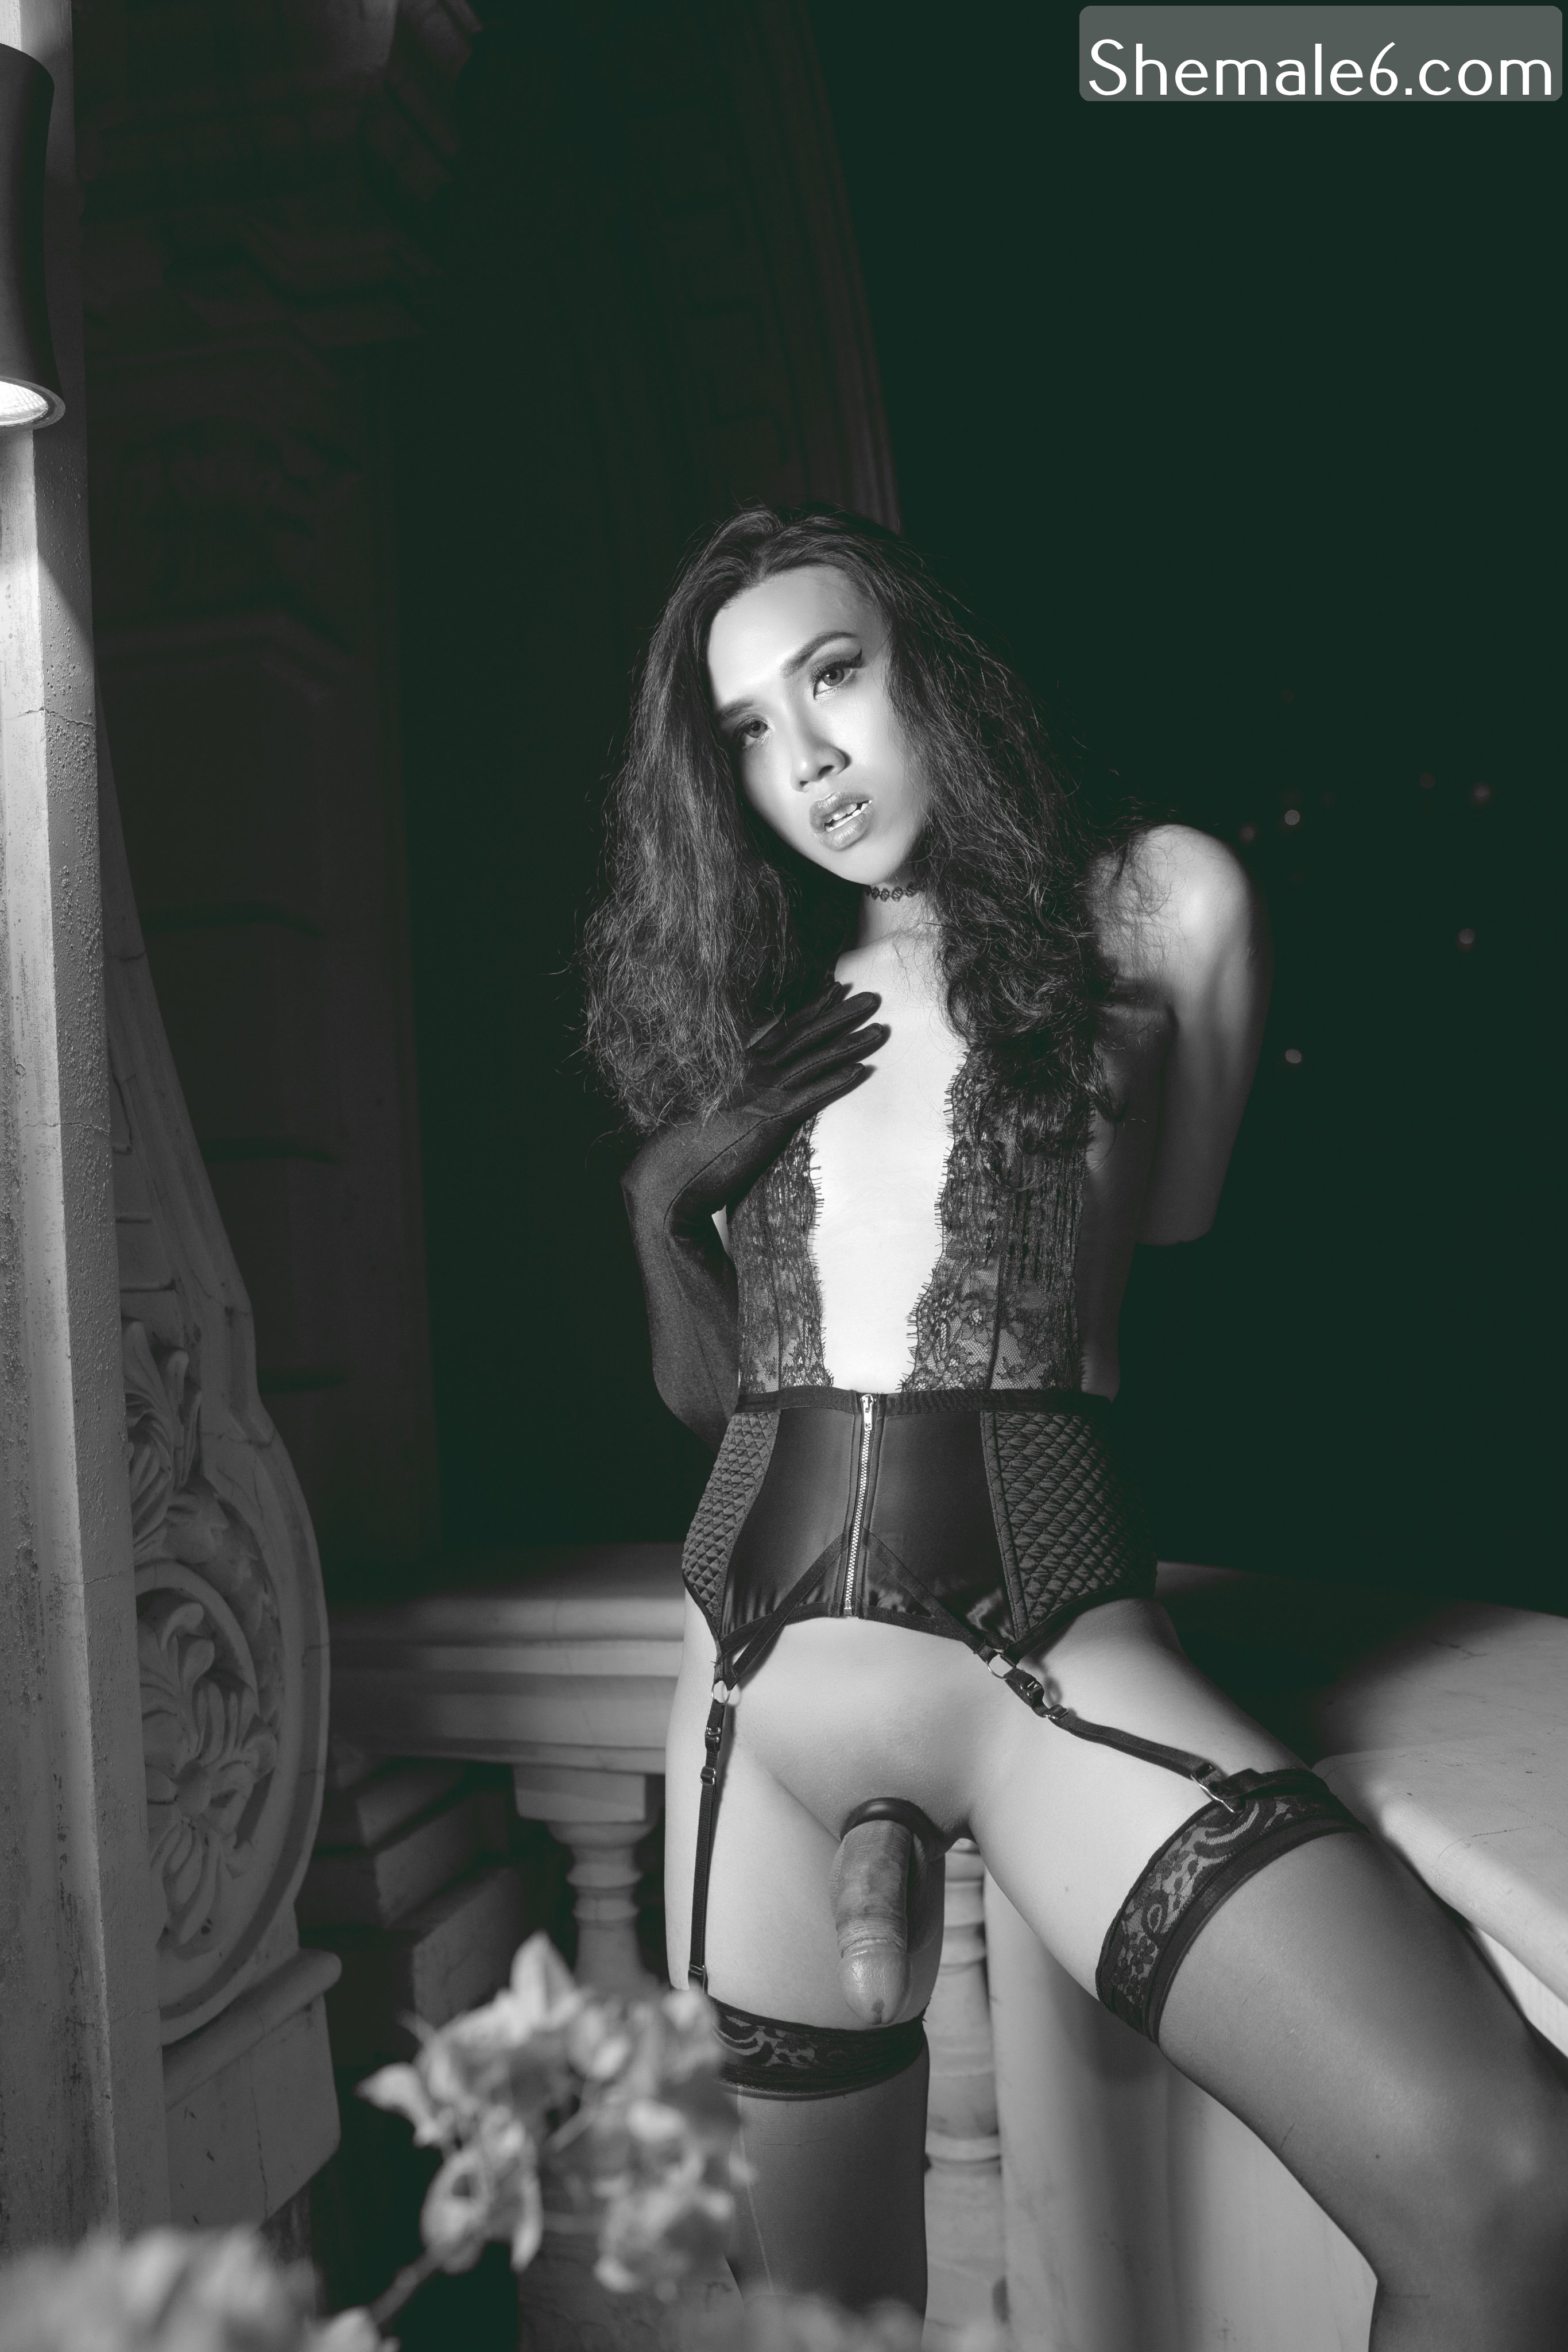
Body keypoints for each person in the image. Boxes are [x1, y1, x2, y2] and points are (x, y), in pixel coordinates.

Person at [584, 505, 1568, 2346]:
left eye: (834, 676)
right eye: (746, 731)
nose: (806, 759)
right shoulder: (755, 1011)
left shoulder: (1158, 907)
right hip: (745, 1708)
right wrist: (659, 1205)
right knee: (814, 2327)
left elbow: (1159, 1228)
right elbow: (722, 1398)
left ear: (933, 671)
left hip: (1040, 1666)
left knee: (1508, 2192)